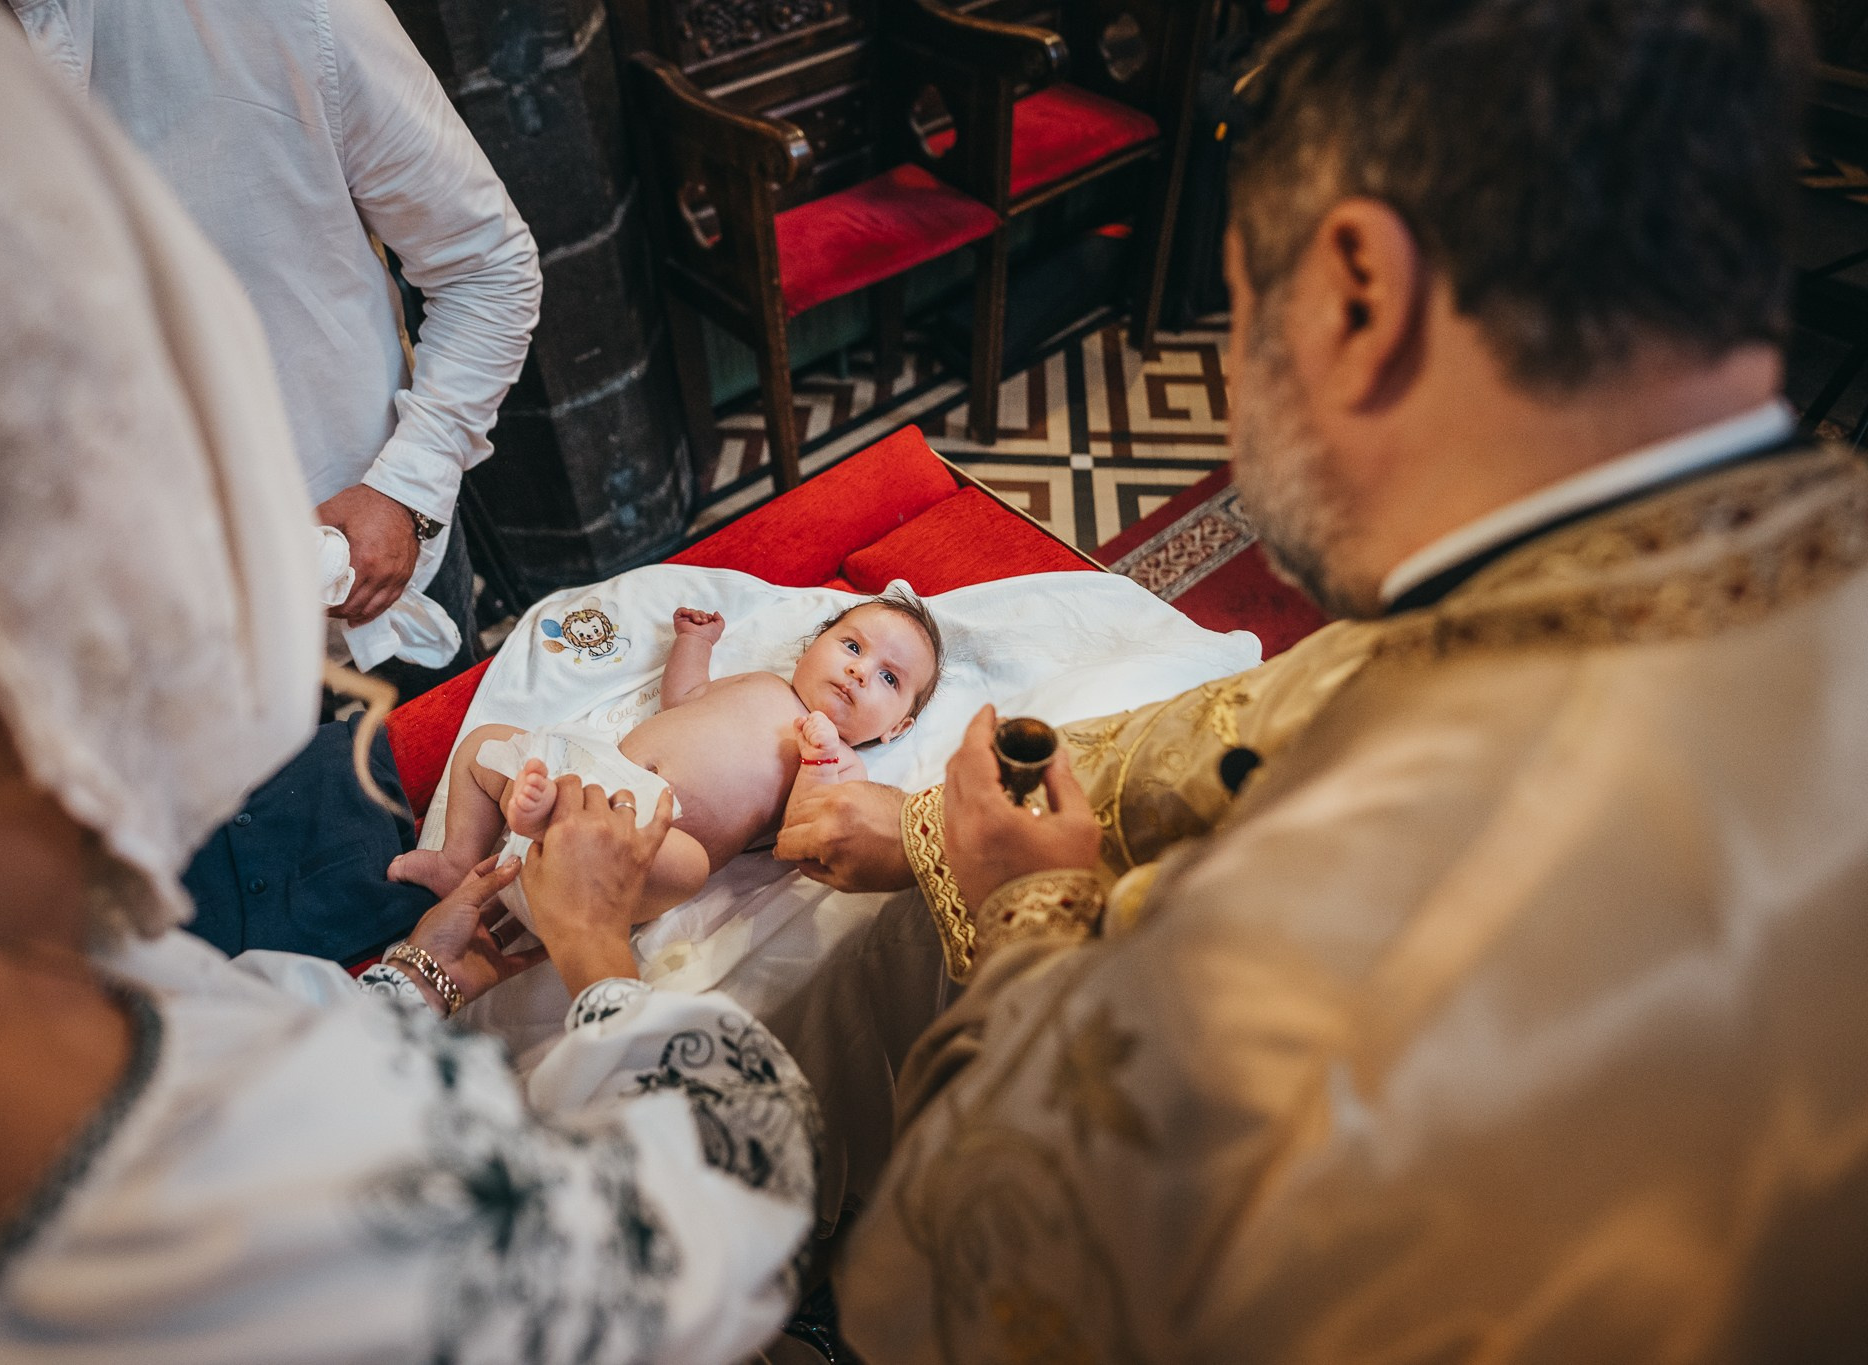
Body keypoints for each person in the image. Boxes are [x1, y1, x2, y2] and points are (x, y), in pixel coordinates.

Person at [775, 0, 1868, 1357]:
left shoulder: (1316, 966)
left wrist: (1027, 911)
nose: (1235, 372)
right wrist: (933, 826)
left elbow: (956, 1285)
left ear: (1360, 293)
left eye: (1242, 307)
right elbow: (1292, 710)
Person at [0, 4, 811, 1362]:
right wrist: (596, 952)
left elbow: (484, 260)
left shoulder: (273, 20)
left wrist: (410, 972)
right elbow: (731, 1190)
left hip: (362, 641)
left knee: (372, 891)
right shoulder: (279, 1183)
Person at [4, 0, 543, 693]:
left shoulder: (287, 13)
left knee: (453, 795)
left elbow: (485, 264)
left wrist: (408, 488)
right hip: (132, 650)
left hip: (370, 570)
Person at [392, 595, 945, 927]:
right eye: (852, 646)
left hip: (633, 859)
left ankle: (552, 822)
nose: (860, 671)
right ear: (812, 647)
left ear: (897, 728)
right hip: (590, 781)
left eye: (889, 679)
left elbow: (802, 837)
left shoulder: (848, 768)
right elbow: (683, 698)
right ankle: (458, 859)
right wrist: (694, 645)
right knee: (486, 742)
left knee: (689, 866)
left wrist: (820, 760)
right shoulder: (760, 682)